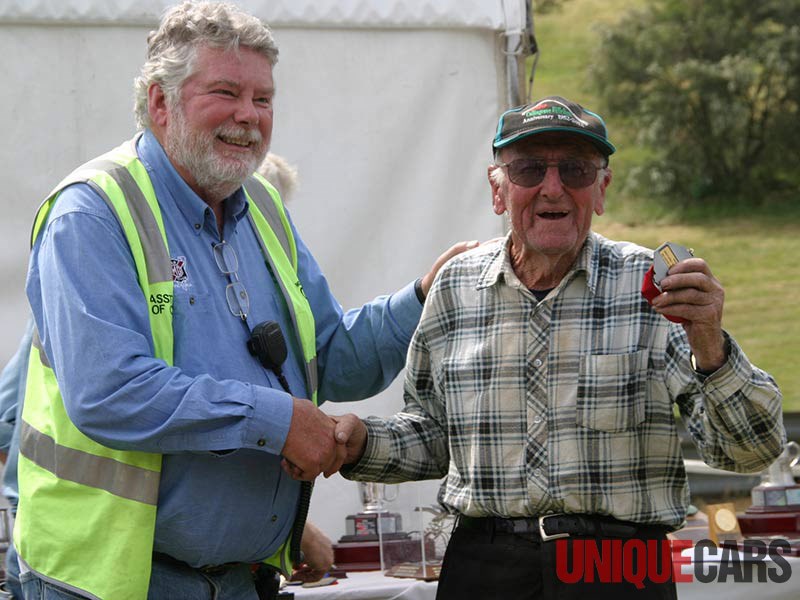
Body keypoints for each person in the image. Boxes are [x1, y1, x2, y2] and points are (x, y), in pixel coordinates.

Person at [16, 2, 476, 599]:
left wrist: (422, 296)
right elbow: (109, 392)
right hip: (113, 583)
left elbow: (331, 358)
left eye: (263, 99)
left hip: (242, 582)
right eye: (226, 92)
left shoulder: (261, 205)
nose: (248, 116)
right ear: (161, 103)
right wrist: (278, 421)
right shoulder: (93, 211)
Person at [329, 96, 786, 600]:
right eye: (528, 169)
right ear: (498, 189)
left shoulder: (653, 286)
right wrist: (360, 444)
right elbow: (437, 437)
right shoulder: (455, 287)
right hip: (484, 565)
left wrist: (711, 345)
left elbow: (751, 452)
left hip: (616, 567)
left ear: (601, 189)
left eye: (574, 169)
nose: (553, 187)